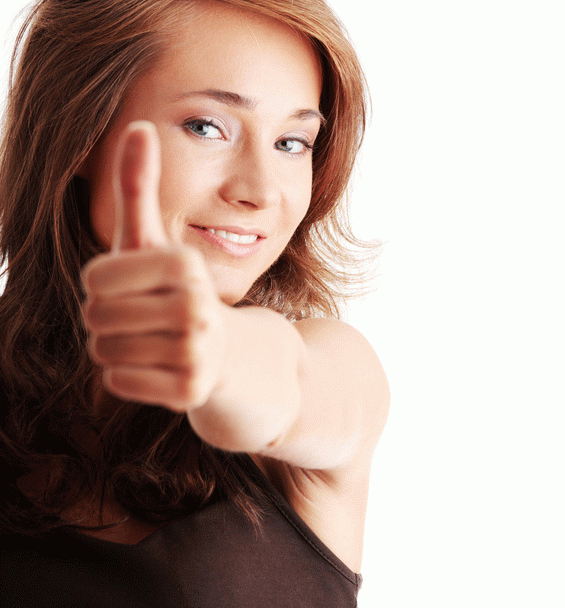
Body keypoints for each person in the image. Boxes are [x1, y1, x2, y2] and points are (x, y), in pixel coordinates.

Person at [0, 0, 389, 605]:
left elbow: (286, 383)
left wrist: (216, 350)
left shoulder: (338, 368)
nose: (260, 191)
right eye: (207, 127)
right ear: (78, 133)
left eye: (292, 142)